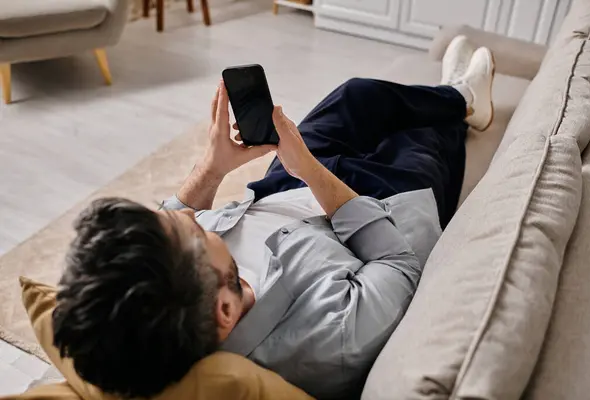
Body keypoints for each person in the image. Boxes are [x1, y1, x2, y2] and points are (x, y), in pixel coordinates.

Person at [52, 36, 494, 399]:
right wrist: (309, 171)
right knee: (421, 135)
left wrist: (214, 166)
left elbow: (173, 217)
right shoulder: (330, 339)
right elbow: (398, 264)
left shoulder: (180, 290)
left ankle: (453, 94)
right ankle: (462, 101)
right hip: (382, 203)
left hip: (283, 186)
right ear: (224, 311)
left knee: (356, 94)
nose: (186, 215)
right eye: (186, 231)